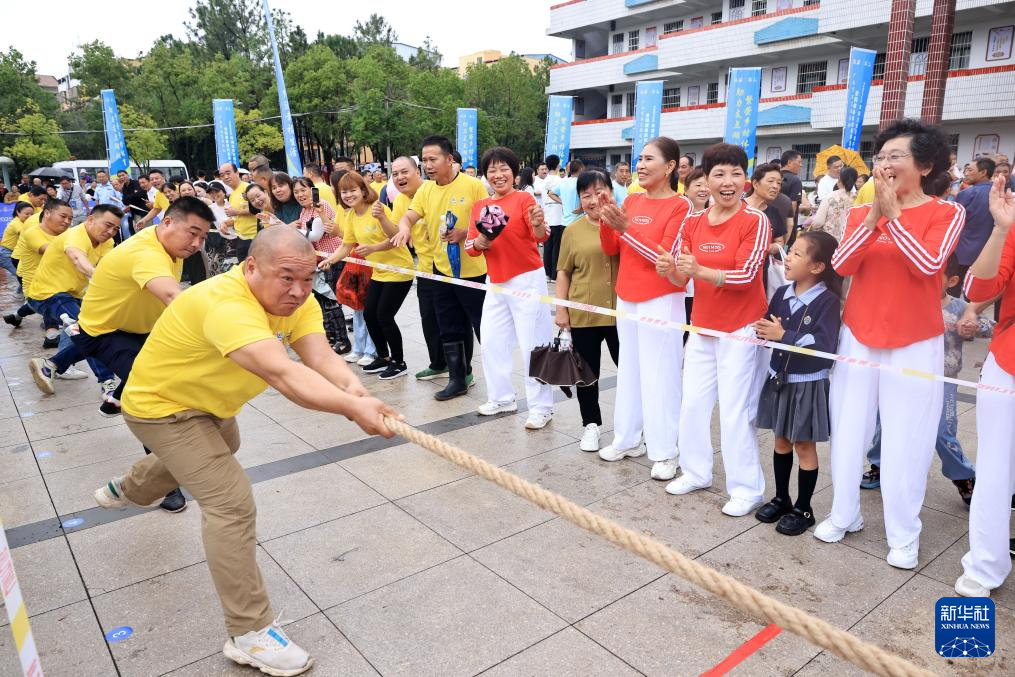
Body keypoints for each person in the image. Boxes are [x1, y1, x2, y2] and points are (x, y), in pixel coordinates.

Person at [92, 226, 400, 675]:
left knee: (227, 444)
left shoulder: (298, 300)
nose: (298, 291)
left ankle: (132, 487)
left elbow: (319, 356)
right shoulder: (226, 304)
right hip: (162, 408)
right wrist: (354, 409)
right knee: (231, 503)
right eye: (286, 278)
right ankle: (249, 632)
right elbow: (285, 376)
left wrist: (358, 393)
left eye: (307, 279)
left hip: (211, 404)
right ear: (251, 267)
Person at [816, 119, 966, 570]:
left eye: (895, 156)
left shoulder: (946, 213)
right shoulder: (862, 213)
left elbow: (928, 265)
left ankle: (904, 534)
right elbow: (842, 265)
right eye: (880, 157)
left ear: (925, 165)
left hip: (914, 340)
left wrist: (894, 217)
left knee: (907, 439)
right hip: (859, 335)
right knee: (849, 430)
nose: (884, 164)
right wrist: (874, 217)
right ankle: (844, 513)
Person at [72, 196, 215, 512]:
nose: (197, 243)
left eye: (203, 237)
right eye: (193, 233)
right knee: (155, 396)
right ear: (167, 222)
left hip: (143, 329)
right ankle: (165, 486)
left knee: (173, 377)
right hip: (105, 332)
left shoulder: (171, 247)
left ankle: (117, 397)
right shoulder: (145, 252)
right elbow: (173, 296)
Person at [657, 143, 771, 515]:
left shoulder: (755, 221)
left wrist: (699, 271)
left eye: (736, 174)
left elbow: (746, 275)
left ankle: (747, 488)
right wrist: (669, 270)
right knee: (692, 403)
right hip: (703, 327)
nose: (728, 182)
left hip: (741, 328)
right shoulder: (692, 222)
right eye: (719, 174)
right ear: (705, 180)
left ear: (745, 179)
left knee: (735, 411)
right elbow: (681, 275)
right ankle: (696, 471)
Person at [861, 253, 992, 503]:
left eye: (933, 277)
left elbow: (990, 326)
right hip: (902, 376)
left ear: (952, 281)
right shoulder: (903, 301)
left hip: (943, 380)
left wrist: (974, 326)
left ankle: (963, 475)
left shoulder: (960, 308)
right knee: (885, 422)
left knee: (943, 431)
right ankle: (879, 464)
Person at [598, 136, 691, 481]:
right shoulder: (633, 199)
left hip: (660, 298)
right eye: (640, 158)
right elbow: (612, 248)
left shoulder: (680, 207)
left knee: (660, 375)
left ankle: (666, 451)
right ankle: (627, 438)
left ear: (670, 167)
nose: (640, 165)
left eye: (649, 159)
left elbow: (664, 258)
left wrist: (625, 229)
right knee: (630, 370)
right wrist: (607, 221)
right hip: (628, 295)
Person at [752, 231, 842, 535]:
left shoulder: (827, 302)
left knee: (804, 445)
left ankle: (804, 508)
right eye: (790, 252)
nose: (788, 258)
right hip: (780, 378)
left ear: (817, 267)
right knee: (780, 440)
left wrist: (784, 336)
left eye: (797, 254)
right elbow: (768, 324)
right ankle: (782, 498)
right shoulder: (782, 293)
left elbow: (825, 345)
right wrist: (762, 330)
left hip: (808, 383)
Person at [391, 135, 488, 400]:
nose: (428, 165)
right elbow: (409, 216)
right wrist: (404, 227)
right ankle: (457, 378)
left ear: (449, 159)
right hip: (440, 271)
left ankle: (497, 381)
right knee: (448, 325)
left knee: (483, 327)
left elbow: (486, 223)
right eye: (424, 160)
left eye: (433, 159)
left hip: (472, 270)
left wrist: (464, 233)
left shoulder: (473, 186)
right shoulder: (426, 190)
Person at [955, 174, 1015, 598]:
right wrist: (1000, 229)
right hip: (1010, 364)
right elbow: (977, 288)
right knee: (997, 467)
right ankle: (986, 562)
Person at [464, 146, 554, 429]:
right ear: (485, 175)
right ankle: (502, 398)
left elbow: (541, 235)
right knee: (492, 341)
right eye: (492, 170)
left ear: (514, 174)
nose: (498, 174)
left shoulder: (523, 199)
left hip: (527, 278)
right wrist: (480, 242)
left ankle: (541, 407)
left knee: (534, 343)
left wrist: (537, 224)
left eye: (504, 168)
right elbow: (470, 246)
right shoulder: (480, 206)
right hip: (496, 281)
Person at [320, 173, 414, 379]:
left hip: (399, 270)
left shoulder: (378, 209)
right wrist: (330, 260)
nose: (348, 195)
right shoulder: (351, 216)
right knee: (370, 314)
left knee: (384, 316)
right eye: (344, 192)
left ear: (363, 190)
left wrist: (374, 243)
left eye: (352, 190)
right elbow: (346, 246)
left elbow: (395, 237)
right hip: (379, 272)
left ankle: (399, 362)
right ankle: (383, 357)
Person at [26, 206, 123, 395]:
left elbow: (106, 269)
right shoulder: (75, 235)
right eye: (108, 225)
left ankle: (51, 365)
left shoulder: (107, 242)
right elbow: (78, 259)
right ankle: (108, 383)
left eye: (115, 229)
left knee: (87, 334)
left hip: (74, 295)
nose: (111, 231)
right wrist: (97, 278)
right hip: (48, 295)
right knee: (89, 332)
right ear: (90, 219)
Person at [555, 170, 619, 450]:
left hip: (620, 314)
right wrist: (562, 309)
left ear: (611, 192)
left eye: (600, 192)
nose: (594, 200)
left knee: (630, 372)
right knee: (586, 374)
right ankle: (590, 425)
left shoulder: (624, 224)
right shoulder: (573, 230)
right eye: (586, 195)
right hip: (584, 314)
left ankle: (633, 426)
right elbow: (563, 272)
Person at [6, 199, 74, 347]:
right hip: (36, 284)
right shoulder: (32, 232)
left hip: (57, 283)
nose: (67, 221)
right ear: (47, 213)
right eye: (63, 216)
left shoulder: (68, 232)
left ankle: (16, 316)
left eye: (70, 218)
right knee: (66, 315)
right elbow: (50, 251)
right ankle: (52, 335)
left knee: (48, 305)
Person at [953, 157, 997, 296]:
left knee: (954, 287)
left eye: (970, 170)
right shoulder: (998, 193)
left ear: (983, 172)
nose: (966, 173)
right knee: (975, 291)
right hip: (987, 251)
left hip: (962, 250)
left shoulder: (967, 194)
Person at [220, 163, 258, 260]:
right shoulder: (232, 195)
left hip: (254, 237)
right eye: (222, 175)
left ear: (237, 173)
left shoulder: (248, 188)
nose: (225, 177)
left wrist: (237, 212)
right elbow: (236, 218)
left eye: (228, 173)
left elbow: (258, 209)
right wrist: (225, 223)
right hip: (241, 238)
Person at [809, 167, 858, 240]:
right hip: (850, 239)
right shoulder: (857, 197)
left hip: (830, 239)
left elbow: (819, 222)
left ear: (839, 179)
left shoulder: (830, 197)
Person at [0, 202, 35, 294]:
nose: (30, 216)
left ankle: (19, 296)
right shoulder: (16, 223)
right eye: (27, 214)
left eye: (32, 214)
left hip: (13, 253)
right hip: (5, 254)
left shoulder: (24, 222)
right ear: (18, 212)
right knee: (23, 276)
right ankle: (22, 296)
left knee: (23, 276)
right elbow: (25, 234)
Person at [541, 154, 564, 278]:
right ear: (558, 165)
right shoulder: (560, 180)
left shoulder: (544, 181)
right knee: (557, 247)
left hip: (546, 217)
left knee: (547, 246)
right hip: (558, 216)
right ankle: (554, 274)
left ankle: (547, 273)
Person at [548, 159, 583, 234]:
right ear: (581, 169)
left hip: (564, 223)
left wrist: (562, 201)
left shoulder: (563, 182)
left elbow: (550, 193)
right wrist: (582, 207)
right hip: (578, 222)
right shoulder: (581, 182)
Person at [780, 150, 811, 233]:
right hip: (786, 227)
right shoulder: (795, 180)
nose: (801, 165)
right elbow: (792, 206)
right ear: (789, 162)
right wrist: (789, 228)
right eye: (799, 162)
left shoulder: (774, 177)